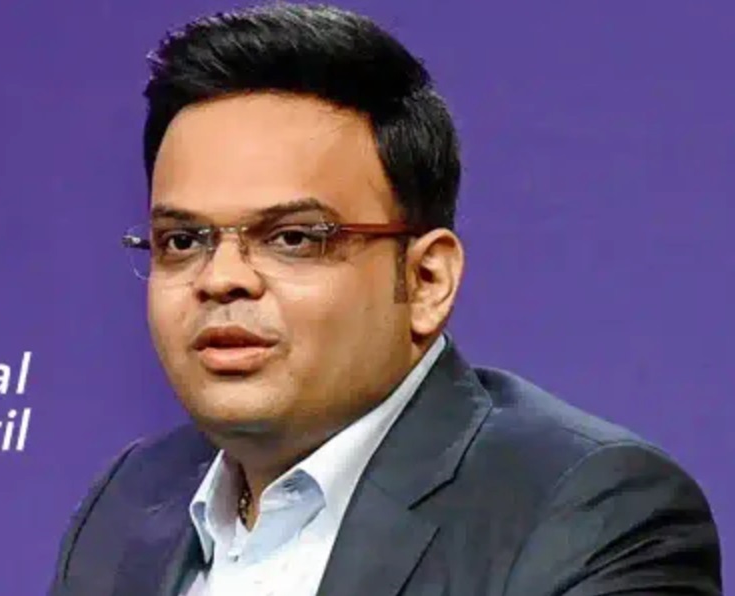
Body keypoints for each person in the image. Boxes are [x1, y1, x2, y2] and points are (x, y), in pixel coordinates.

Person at [49, 3, 722, 595]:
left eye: (293, 238)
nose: (221, 277)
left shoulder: (588, 511)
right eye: (183, 240)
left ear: (426, 281)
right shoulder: (129, 503)